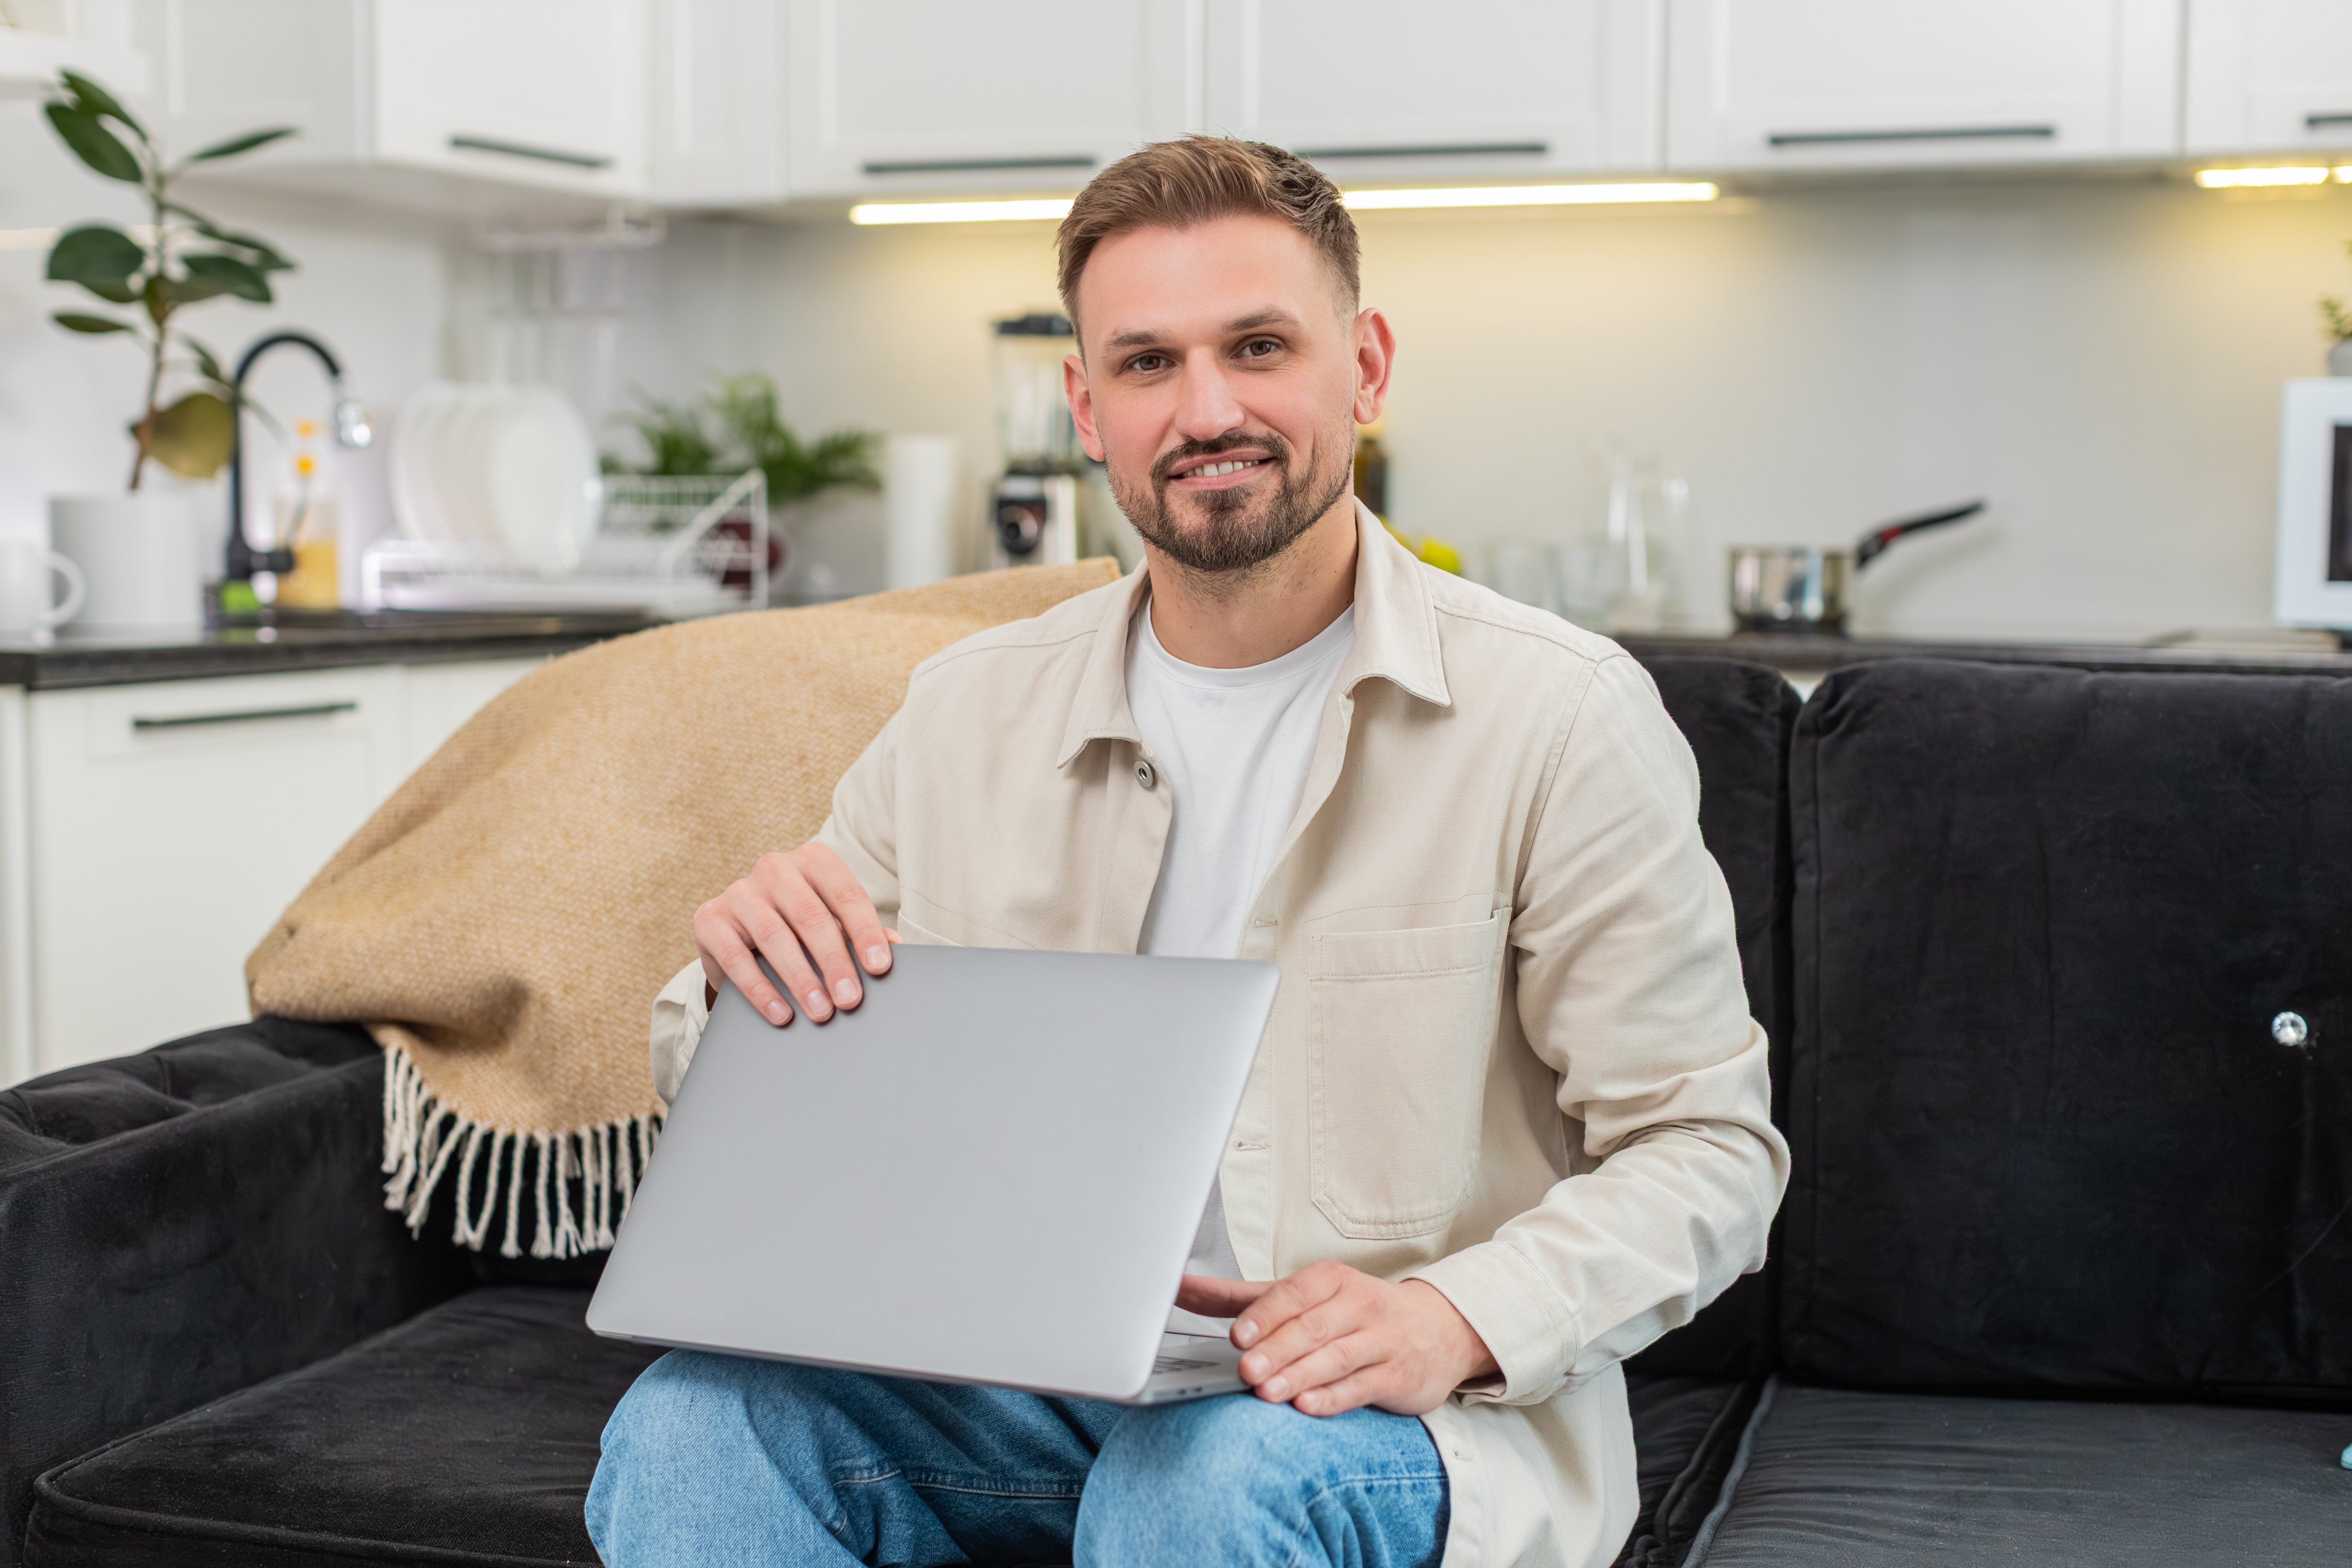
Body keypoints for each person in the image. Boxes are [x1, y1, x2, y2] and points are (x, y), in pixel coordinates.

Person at [584, 135, 1787, 1568]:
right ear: (1084, 406)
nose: (1205, 407)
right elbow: (735, 1061)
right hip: (1018, 1389)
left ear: (1367, 366)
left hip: (1371, 1414)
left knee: (1195, 1488)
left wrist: (1447, 1315)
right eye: (1147, 363)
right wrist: (747, 984)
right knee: (687, 1424)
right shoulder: (967, 708)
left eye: (1258, 345)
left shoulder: (1558, 714)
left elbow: (1707, 1154)